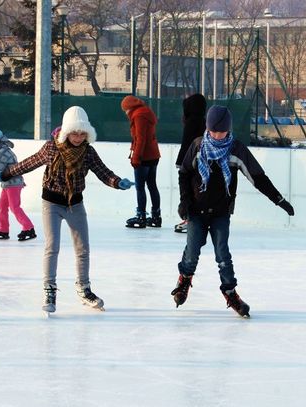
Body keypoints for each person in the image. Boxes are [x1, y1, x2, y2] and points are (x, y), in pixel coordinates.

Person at [0, 106, 134, 314]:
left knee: (83, 249)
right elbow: (30, 163)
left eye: (82, 133)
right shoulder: (52, 147)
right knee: (52, 247)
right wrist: (8, 172)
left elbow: (103, 172)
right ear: (66, 131)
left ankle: (83, 288)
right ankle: (49, 289)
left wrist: (117, 182)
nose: (78, 137)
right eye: (74, 132)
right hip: (51, 203)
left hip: (75, 204)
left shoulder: (88, 152)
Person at [172, 105, 295, 318]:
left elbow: (257, 177)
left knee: (223, 255)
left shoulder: (236, 149)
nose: (217, 135)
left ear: (228, 129)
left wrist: (279, 200)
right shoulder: (198, 146)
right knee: (192, 252)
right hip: (196, 211)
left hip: (220, 212)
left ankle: (230, 292)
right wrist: (185, 202)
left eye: (221, 131)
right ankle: (184, 280)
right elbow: (184, 173)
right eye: (213, 131)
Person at [0, 129, 36, 241]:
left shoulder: (3, 152)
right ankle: (3, 229)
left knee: (14, 207)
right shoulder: (0, 151)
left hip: (14, 184)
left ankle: (29, 228)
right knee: (2, 205)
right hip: (7, 184)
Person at [121, 95, 162, 228]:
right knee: (152, 185)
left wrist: (136, 157)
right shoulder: (146, 111)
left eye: (125, 110)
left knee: (140, 187)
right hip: (153, 154)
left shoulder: (138, 116)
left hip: (144, 156)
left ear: (129, 108)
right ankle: (156, 216)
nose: (126, 113)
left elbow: (140, 138)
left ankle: (141, 216)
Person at [174, 93, 207, 234]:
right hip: (202, 160)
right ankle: (197, 218)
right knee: (198, 190)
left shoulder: (192, 121)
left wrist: (180, 161)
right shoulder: (204, 120)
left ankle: (190, 219)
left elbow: (186, 143)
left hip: (191, 163)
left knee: (189, 190)